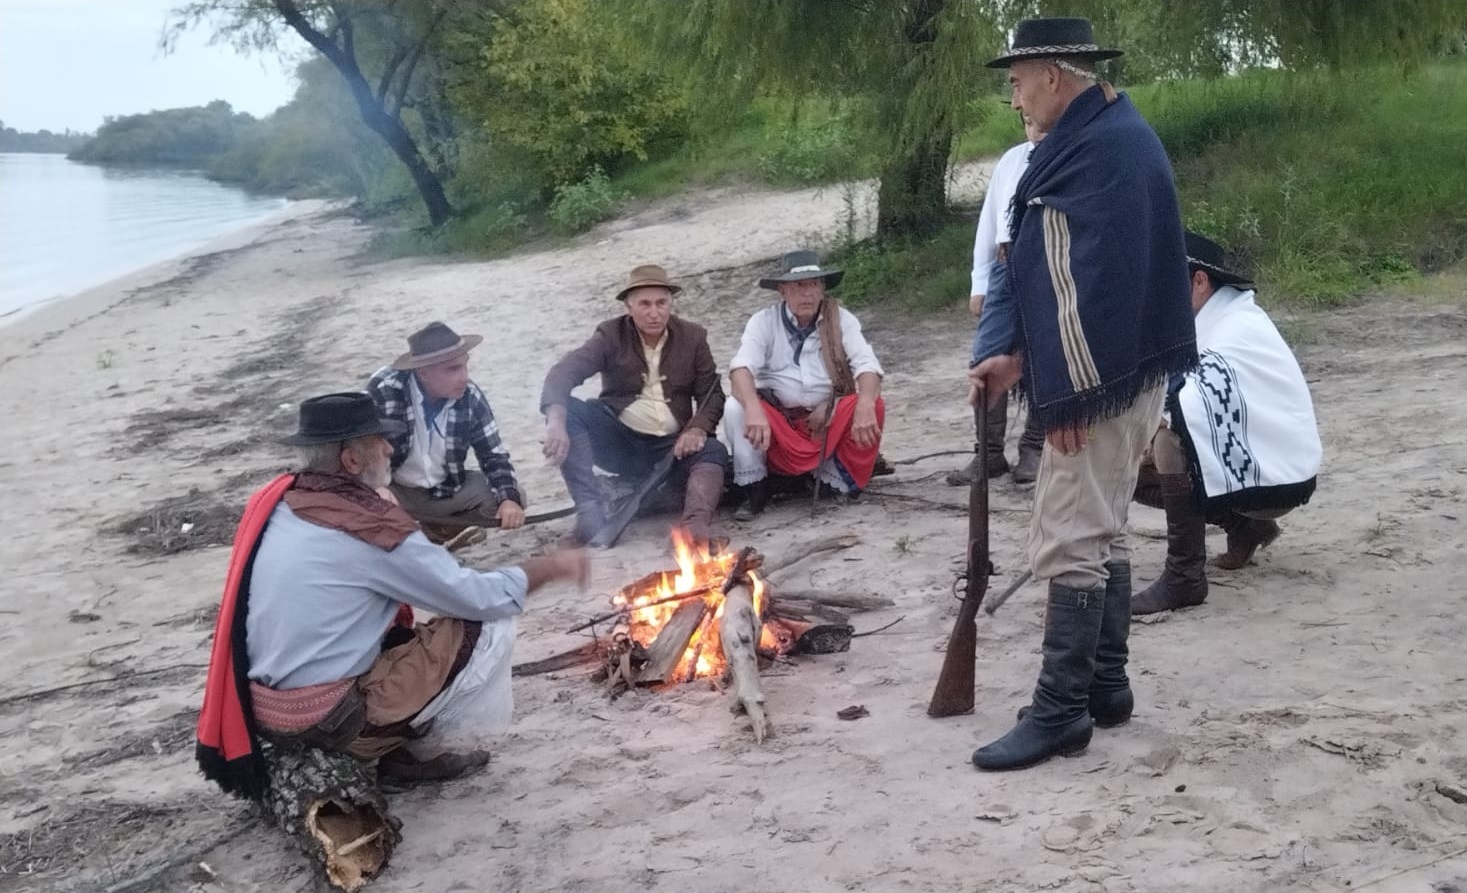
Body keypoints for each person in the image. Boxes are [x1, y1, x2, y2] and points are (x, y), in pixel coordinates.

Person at [967, 17, 1198, 772]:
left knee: (1069, 536)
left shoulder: (1101, 150)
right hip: (1125, 370)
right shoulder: (1106, 139)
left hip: (1100, 378)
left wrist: (1065, 398)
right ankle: (1105, 685)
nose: (1014, 98)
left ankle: (1062, 711)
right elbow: (1044, 264)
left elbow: (1090, 288)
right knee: (1102, 526)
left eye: (1017, 82)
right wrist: (1006, 354)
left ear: (1052, 76)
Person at [196, 393, 588, 797]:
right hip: (327, 719)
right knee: (485, 624)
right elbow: (477, 596)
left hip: (265, 711)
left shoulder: (283, 503)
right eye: (379, 440)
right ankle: (409, 748)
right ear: (352, 461)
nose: (390, 448)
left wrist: (378, 501)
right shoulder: (370, 529)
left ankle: (391, 747)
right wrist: (548, 568)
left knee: (395, 629)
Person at [1131, 232, 1321, 615]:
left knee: (1170, 441)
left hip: (1279, 482)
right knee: (1125, 468)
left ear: (1200, 281)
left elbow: (1190, 406)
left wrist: (1152, 434)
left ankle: (1184, 576)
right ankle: (1244, 527)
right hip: (1253, 473)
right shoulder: (1211, 320)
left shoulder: (1238, 326)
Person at [540, 264, 728, 544]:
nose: (654, 312)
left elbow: (711, 394)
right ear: (629, 307)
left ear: (671, 304)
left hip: (672, 448)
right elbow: (563, 373)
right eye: (645, 304)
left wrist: (697, 429)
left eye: (661, 303)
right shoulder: (610, 335)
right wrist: (555, 421)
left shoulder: (693, 337)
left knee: (714, 450)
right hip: (620, 444)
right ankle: (589, 514)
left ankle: (694, 526)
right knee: (570, 412)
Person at [723, 250, 885, 520]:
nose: (807, 293)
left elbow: (867, 365)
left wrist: (864, 403)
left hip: (826, 421)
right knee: (735, 407)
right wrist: (752, 407)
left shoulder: (842, 319)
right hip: (780, 424)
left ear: (822, 288)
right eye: (799, 286)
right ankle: (754, 489)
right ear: (782, 291)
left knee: (873, 404)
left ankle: (833, 481)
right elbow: (740, 369)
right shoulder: (763, 322)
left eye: (813, 285)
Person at [948, 113, 1047, 487]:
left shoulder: (1068, 157)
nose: (1032, 126)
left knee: (1042, 353)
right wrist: (980, 283)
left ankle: (1034, 446)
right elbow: (989, 222)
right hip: (1006, 263)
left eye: (1037, 119)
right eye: (1026, 119)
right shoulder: (1011, 160)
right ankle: (988, 452)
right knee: (985, 354)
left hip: (1045, 262)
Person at [366, 322, 526, 533]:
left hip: (445, 490)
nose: (465, 377)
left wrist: (508, 500)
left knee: (513, 496)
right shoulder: (385, 389)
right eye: (453, 369)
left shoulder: (470, 396)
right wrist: (375, 487)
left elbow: (493, 455)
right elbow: (357, 447)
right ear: (423, 372)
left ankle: (437, 535)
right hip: (395, 490)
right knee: (361, 505)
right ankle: (415, 535)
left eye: (465, 365)